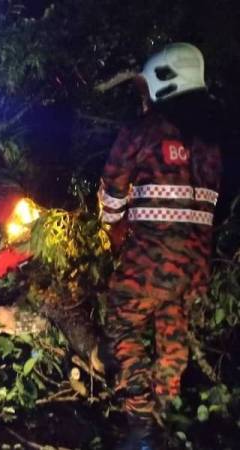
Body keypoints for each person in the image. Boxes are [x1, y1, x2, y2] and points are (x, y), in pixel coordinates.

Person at [98, 43, 222, 449]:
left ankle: (141, 421)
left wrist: (112, 226)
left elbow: (113, 190)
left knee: (123, 321)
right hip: (196, 269)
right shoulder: (211, 143)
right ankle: (170, 412)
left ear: (161, 84)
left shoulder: (142, 132)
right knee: (173, 332)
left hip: (150, 263)